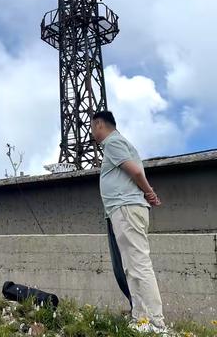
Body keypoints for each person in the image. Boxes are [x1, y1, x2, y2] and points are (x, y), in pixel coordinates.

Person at [91, 111, 166, 333]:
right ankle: (141, 318)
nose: (93, 133)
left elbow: (134, 171)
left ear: (99, 124)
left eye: (93, 127)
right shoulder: (122, 143)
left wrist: (149, 192)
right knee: (131, 267)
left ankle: (155, 322)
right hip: (124, 209)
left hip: (125, 208)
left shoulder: (113, 142)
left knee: (138, 265)